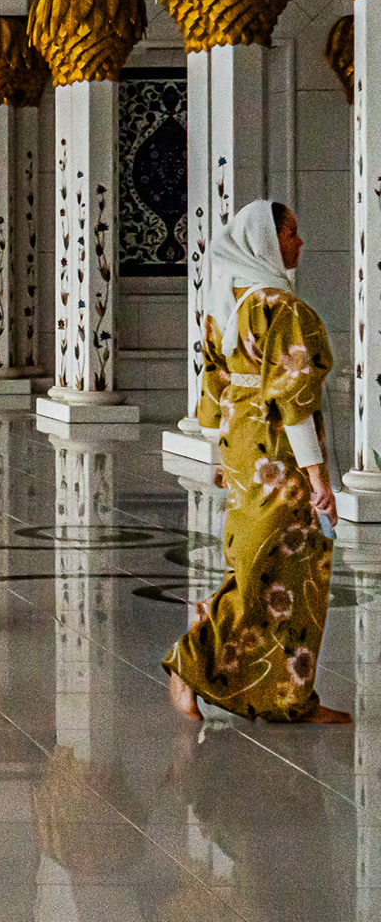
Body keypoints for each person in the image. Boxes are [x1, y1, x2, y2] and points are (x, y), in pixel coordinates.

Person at [164, 200, 348, 724]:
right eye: (291, 234)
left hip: (247, 452)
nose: (300, 244)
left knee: (279, 569)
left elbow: (212, 390)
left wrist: (224, 452)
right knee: (274, 567)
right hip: (277, 458)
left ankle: (290, 697)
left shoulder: (229, 305)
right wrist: (318, 477)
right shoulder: (283, 311)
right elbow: (294, 403)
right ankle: (190, 662)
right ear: (266, 241)